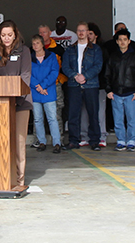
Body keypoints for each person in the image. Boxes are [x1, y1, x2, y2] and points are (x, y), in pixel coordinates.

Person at [0, 20, 32, 188]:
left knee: (18, 143)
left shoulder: (24, 51)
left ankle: (19, 180)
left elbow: (25, 75)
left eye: (9, 35)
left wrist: (15, 96)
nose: (6, 38)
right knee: (0, 141)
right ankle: (1, 176)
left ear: (15, 35)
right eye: (3, 35)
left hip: (20, 103)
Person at [61, 22, 103, 150]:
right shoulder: (70, 49)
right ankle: (74, 140)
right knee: (73, 113)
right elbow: (65, 66)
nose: (81, 33)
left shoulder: (96, 49)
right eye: (79, 30)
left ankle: (94, 140)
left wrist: (84, 76)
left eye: (83, 30)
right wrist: (75, 75)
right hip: (74, 84)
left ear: (87, 32)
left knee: (93, 113)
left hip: (91, 85)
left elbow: (98, 66)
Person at [104, 29, 135, 151]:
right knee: (118, 119)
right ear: (116, 42)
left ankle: (132, 140)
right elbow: (107, 75)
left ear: (129, 41)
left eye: (125, 40)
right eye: (120, 40)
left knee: (131, 119)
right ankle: (121, 140)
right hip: (116, 93)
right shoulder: (112, 57)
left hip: (131, 93)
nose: (122, 42)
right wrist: (109, 90)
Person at [29, 35, 61, 153]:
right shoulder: (30, 58)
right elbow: (28, 74)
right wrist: (38, 86)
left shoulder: (51, 56)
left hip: (48, 91)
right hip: (36, 92)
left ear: (42, 44)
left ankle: (57, 142)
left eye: (37, 43)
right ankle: (42, 141)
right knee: (38, 119)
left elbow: (54, 72)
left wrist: (43, 86)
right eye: (33, 44)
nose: (35, 46)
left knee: (52, 118)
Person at [38, 24, 67, 134]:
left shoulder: (58, 49)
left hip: (55, 84)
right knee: (39, 114)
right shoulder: (34, 49)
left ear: (50, 33)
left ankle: (59, 139)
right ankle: (40, 140)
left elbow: (64, 67)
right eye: (40, 33)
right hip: (39, 86)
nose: (42, 35)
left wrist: (60, 80)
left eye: (44, 32)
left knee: (56, 112)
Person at [84, 22, 108, 147]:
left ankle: (102, 136)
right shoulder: (81, 49)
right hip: (85, 86)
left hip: (100, 86)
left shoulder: (102, 50)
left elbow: (104, 68)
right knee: (86, 112)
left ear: (96, 35)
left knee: (99, 112)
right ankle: (86, 136)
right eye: (87, 33)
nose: (88, 36)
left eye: (91, 34)